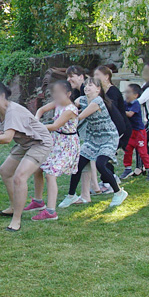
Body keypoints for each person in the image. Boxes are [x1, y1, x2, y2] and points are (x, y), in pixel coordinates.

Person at [0, 81, 53, 232]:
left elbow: (8, 138)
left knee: (19, 177)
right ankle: (14, 206)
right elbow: (7, 132)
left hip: (40, 142)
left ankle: (17, 219)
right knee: (5, 171)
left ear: (2, 96)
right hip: (25, 142)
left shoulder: (12, 111)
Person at [59, 77, 128, 208]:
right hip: (93, 139)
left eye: (90, 85)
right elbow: (71, 107)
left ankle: (119, 192)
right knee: (78, 165)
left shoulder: (97, 101)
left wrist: (63, 120)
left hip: (108, 138)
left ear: (98, 89)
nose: (86, 87)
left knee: (101, 164)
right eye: (85, 85)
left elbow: (79, 116)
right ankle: (71, 196)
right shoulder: (82, 100)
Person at [33, 81, 80, 221]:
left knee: (50, 174)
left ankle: (51, 211)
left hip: (68, 145)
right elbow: (40, 110)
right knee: (38, 168)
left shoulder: (70, 109)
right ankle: (38, 201)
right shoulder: (58, 102)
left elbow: (55, 126)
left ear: (68, 94)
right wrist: (36, 119)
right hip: (56, 142)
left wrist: (35, 127)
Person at [120, 84, 149, 179]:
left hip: (139, 132)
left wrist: (119, 110)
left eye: (128, 92)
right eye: (125, 92)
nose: (126, 94)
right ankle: (127, 169)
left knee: (142, 152)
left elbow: (130, 114)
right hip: (131, 132)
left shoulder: (135, 103)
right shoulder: (125, 103)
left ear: (135, 95)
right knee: (127, 150)